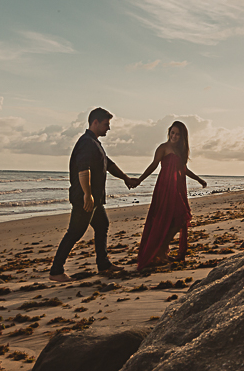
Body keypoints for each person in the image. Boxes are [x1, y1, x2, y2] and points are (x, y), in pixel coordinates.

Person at [49, 108, 137, 282]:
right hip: (85, 199)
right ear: (95, 122)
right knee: (74, 232)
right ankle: (56, 271)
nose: (108, 128)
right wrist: (87, 195)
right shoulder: (86, 143)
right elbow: (83, 169)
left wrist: (125, 178)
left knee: (102, 225)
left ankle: (103, 264)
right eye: (106, 124)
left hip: (93, 199)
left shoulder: (94, 142)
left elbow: (108, 165)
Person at [132, 121, 207, 270]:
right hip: (165, 187)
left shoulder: (180, 151)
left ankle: (161, 249)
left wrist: (198, 179)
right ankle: (159, 251)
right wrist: (139, 180)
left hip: (177, 187)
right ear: (169, 132)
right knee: (165, 218)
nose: (174, 136)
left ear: (182, 137)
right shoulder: (163, 148)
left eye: (178, 134)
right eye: (172, 133)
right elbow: (153, 165)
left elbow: (184, 169)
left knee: (180, 218)